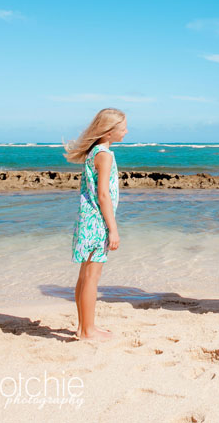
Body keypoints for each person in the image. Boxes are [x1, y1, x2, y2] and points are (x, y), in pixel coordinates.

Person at [64, 108, 128, 340]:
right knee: (92, 277)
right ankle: (88, 331)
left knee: (85, 276)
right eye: (123, 128)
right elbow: (103, 195)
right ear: (109, 132)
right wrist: (113, 229)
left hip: (87, 218)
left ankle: (84, 327)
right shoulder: (105, 155)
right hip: (97, 222)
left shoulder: (95, 152)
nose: (126, 131)